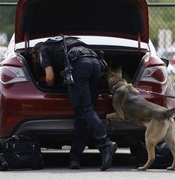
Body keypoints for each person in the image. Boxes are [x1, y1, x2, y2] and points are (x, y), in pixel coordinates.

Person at [40, 36, 117, 171]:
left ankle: (105, 144)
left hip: (79, 65)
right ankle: (75, 157)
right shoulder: (70, 41)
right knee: (84, 111)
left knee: (85, 108)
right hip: (95, 63)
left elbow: (50, 79)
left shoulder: (44, 48)